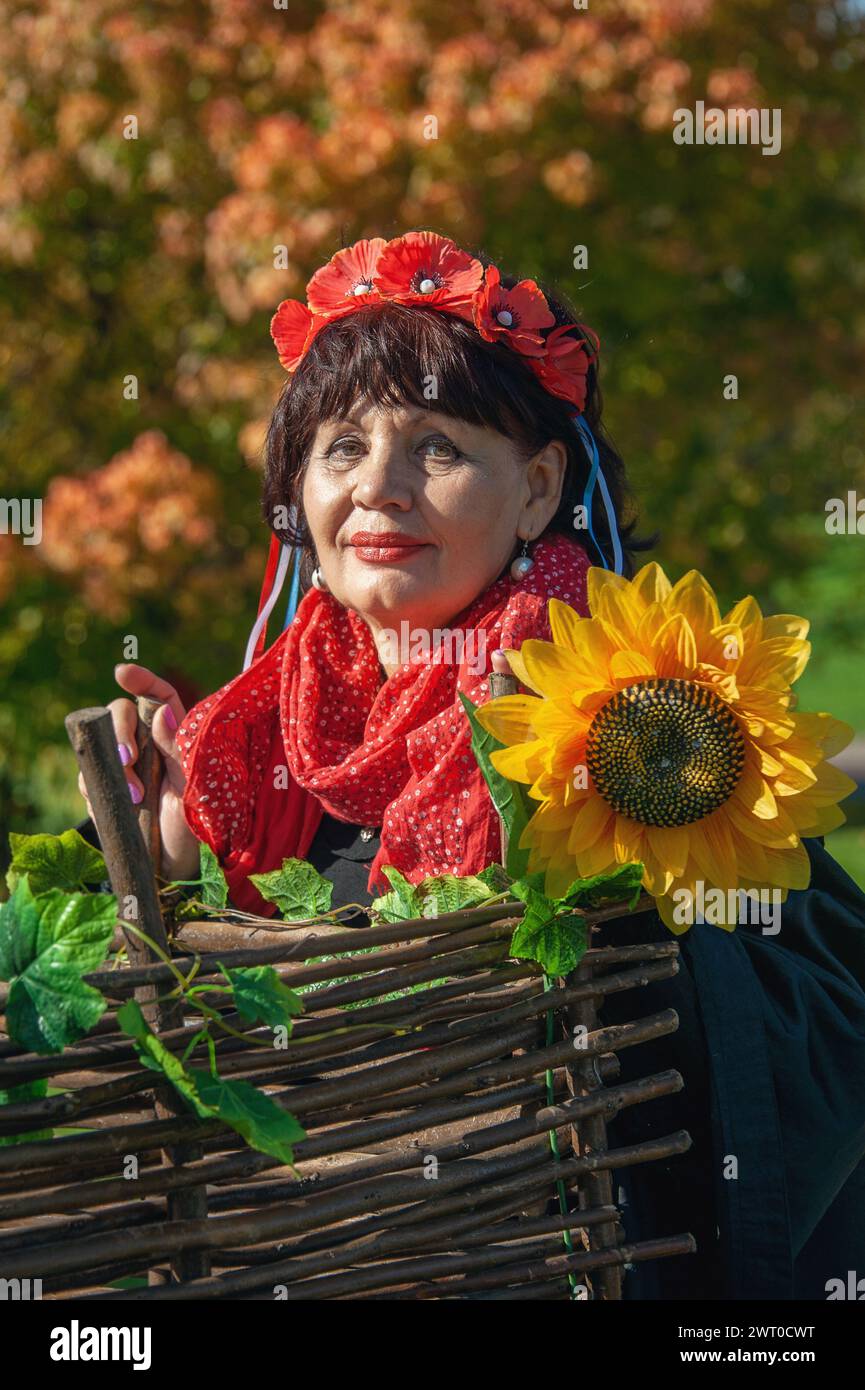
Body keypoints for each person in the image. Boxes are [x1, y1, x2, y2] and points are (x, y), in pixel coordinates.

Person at [76, 231, 865, 1300]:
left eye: (437, 449)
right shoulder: (250, 727)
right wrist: (167, 839)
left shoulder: (624, 706)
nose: (378, 489)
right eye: (341, 448)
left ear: (538, 489)